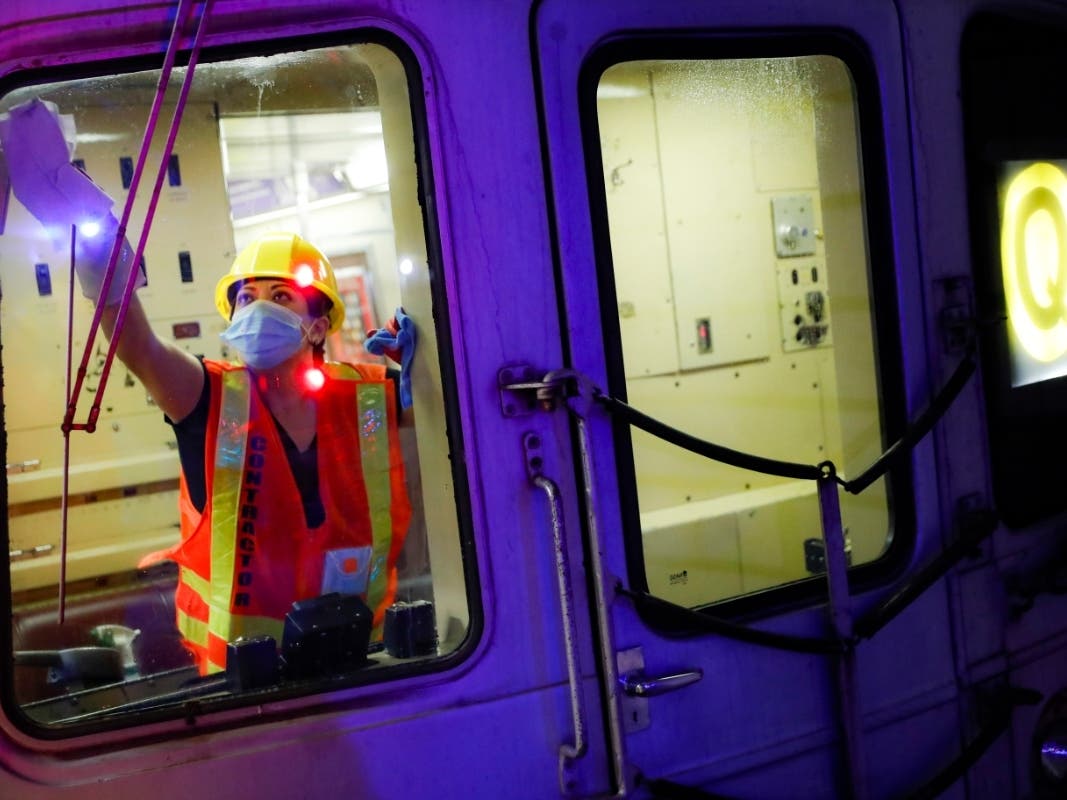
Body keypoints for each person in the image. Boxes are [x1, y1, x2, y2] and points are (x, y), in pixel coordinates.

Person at [0, 100, 414, 675]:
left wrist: (429, 357)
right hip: (241, 685)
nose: (257, 309)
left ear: (318, 325)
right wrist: (93, 239)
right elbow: (136, 344)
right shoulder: (208, 396)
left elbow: (460, 402)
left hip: (366, 662)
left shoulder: (372, 394)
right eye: (245, 298)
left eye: (280, 297)